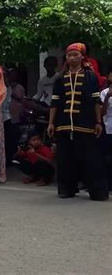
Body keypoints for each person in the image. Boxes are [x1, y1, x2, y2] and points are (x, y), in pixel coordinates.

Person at [47, 42, 108, 201]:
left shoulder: (91, 76)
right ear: (66, 57)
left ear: (82, 56)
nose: (72, 57)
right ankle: (67, 189)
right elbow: (55, 102)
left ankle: (97, 191)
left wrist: (98, 122)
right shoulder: (60, 78)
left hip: (86, 123)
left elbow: (96, 101)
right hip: (64, 123)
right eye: (69, 55)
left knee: (90, 158)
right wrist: (51, 123)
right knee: (65, 158)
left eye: (75, 54)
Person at [100, 69, 112, 190]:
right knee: (107, 158)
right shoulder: (104, 93)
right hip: (108, 128)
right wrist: (108, 96)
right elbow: (102, 113)